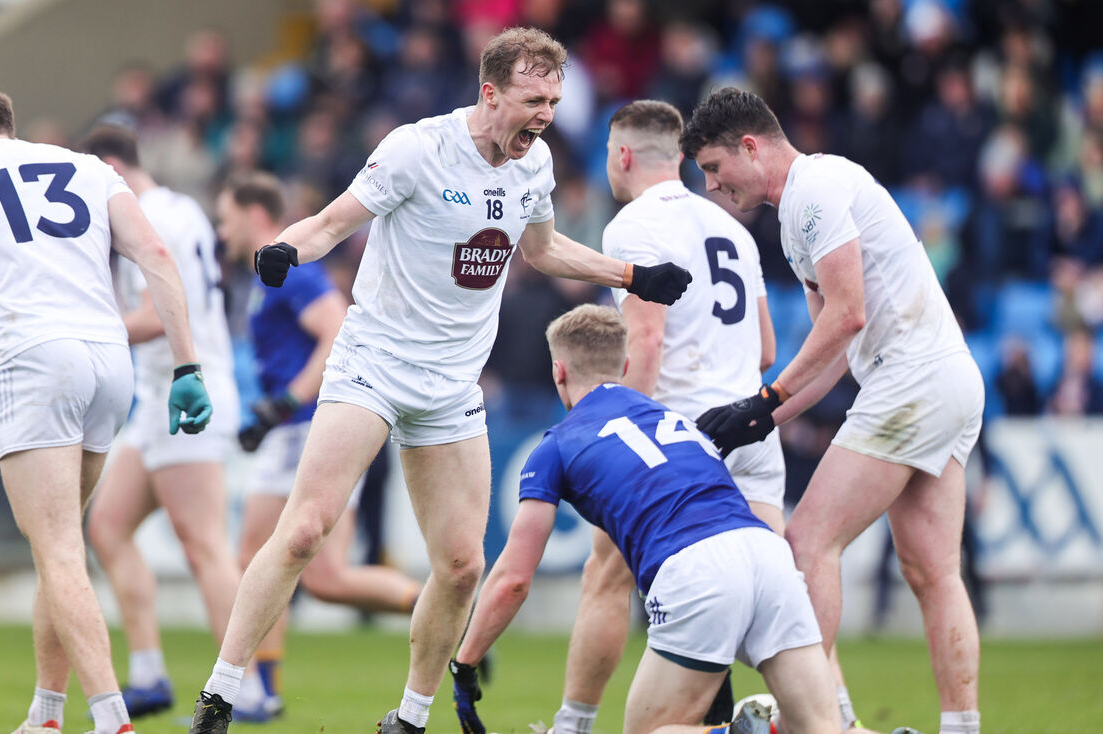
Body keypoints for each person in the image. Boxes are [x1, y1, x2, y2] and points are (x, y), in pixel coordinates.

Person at [187, 27, 691, 734]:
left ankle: (411, 717)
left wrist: (632, 276)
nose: (546, 115)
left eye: (553, 101)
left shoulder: (535, 164)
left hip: (452, 386)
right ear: (490, 93)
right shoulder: (416, 149)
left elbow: (543, 249)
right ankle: (219, 696)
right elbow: (332, 222)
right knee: (302, 531)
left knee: (461, 567)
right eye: (533, 100)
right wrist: (284, 249)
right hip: (374, 363)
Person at [0, 87, 212, 734]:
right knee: (62, 543)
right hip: (110, 360)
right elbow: (157, 256)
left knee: (59, 551)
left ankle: (112, 719)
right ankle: (46, 714)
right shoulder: (91, 167)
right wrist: (188, 366)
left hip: (37, 360)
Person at [686, 87, 984, 734]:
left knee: (809, 543)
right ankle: (957, 727)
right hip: (948, 379)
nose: (711, 185)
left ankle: (818, 721)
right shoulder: (805, 204)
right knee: (933, 572)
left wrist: (765, 399)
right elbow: (835, 356)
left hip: (910, 381)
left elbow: (847, 316)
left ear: (750, 146)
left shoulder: (813, 193)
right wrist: (759, 419)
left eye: (713, 167)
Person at [449, 303, 881, 734]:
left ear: (558, 372)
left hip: (695, 569)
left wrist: (464, 665)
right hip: (768, 553)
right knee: (819, 728)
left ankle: (737, 733)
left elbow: (513, 580)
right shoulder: (677, 420)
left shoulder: (557, 445)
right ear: (626, 366)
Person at [544, 99, 790, 734]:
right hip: (752, 429)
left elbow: (646, 339)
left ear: (622, 155)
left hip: (682, 436)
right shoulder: (731, 227)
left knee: (606, 577)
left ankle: (572, 726)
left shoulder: (634, 225)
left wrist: (623, 428)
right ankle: (828, 719)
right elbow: (766, 349)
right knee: (771, 604)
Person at [215, 172, 424, 718]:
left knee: (257, 557)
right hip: (299, 426)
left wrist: (285, 403)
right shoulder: (266, 276)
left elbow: (335, 329)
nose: (221, 230)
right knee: (326, 578)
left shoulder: (293, 270)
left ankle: (260, 690)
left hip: (307, 426)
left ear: (254, 214)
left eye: (226, 218)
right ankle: (438, 607)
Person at [77, 125, 245, 720]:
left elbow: (165, 313)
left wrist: (87, 332)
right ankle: (149, 673)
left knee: (204, 545)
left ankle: (242, 687)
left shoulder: (155, 217)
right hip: (156, 397)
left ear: (110, 168)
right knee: (107, 527)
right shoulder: (170, 211)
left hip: (188, 386)